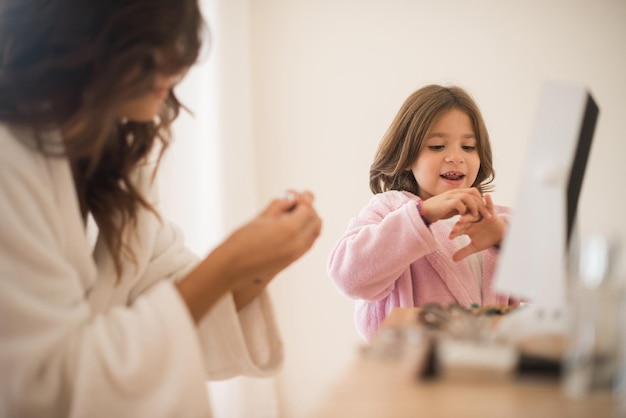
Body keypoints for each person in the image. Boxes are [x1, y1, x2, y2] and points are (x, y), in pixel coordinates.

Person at [0, 0, 322, 417]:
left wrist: (263, 260)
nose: (178, 62)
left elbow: (178, 305)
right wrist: (229, 262)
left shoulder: (111, 168)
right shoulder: (10, 159)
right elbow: (42, 386)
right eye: (155, 43)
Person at [327, 84, 515, 342]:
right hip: (409, 371)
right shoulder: (389, 210)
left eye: (469, 147)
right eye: (437, 146)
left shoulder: (499, 221)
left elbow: (552, 292)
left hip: (484, 368)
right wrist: (421, 216)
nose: (455, 157)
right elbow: (348, 278)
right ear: (406, 156)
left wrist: (504, 239)